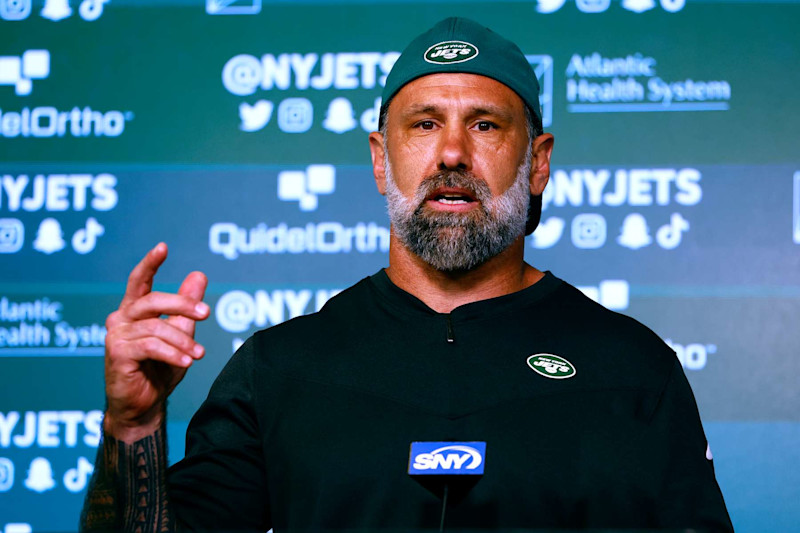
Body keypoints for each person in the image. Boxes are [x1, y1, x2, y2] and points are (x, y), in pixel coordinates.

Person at [81, 17, 733, 532]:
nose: (452, 153)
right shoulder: (280, 368)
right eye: (424, 125)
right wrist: (132, 427)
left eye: (485, 124)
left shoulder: (630, 367)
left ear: (537, 163)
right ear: (379, 159)